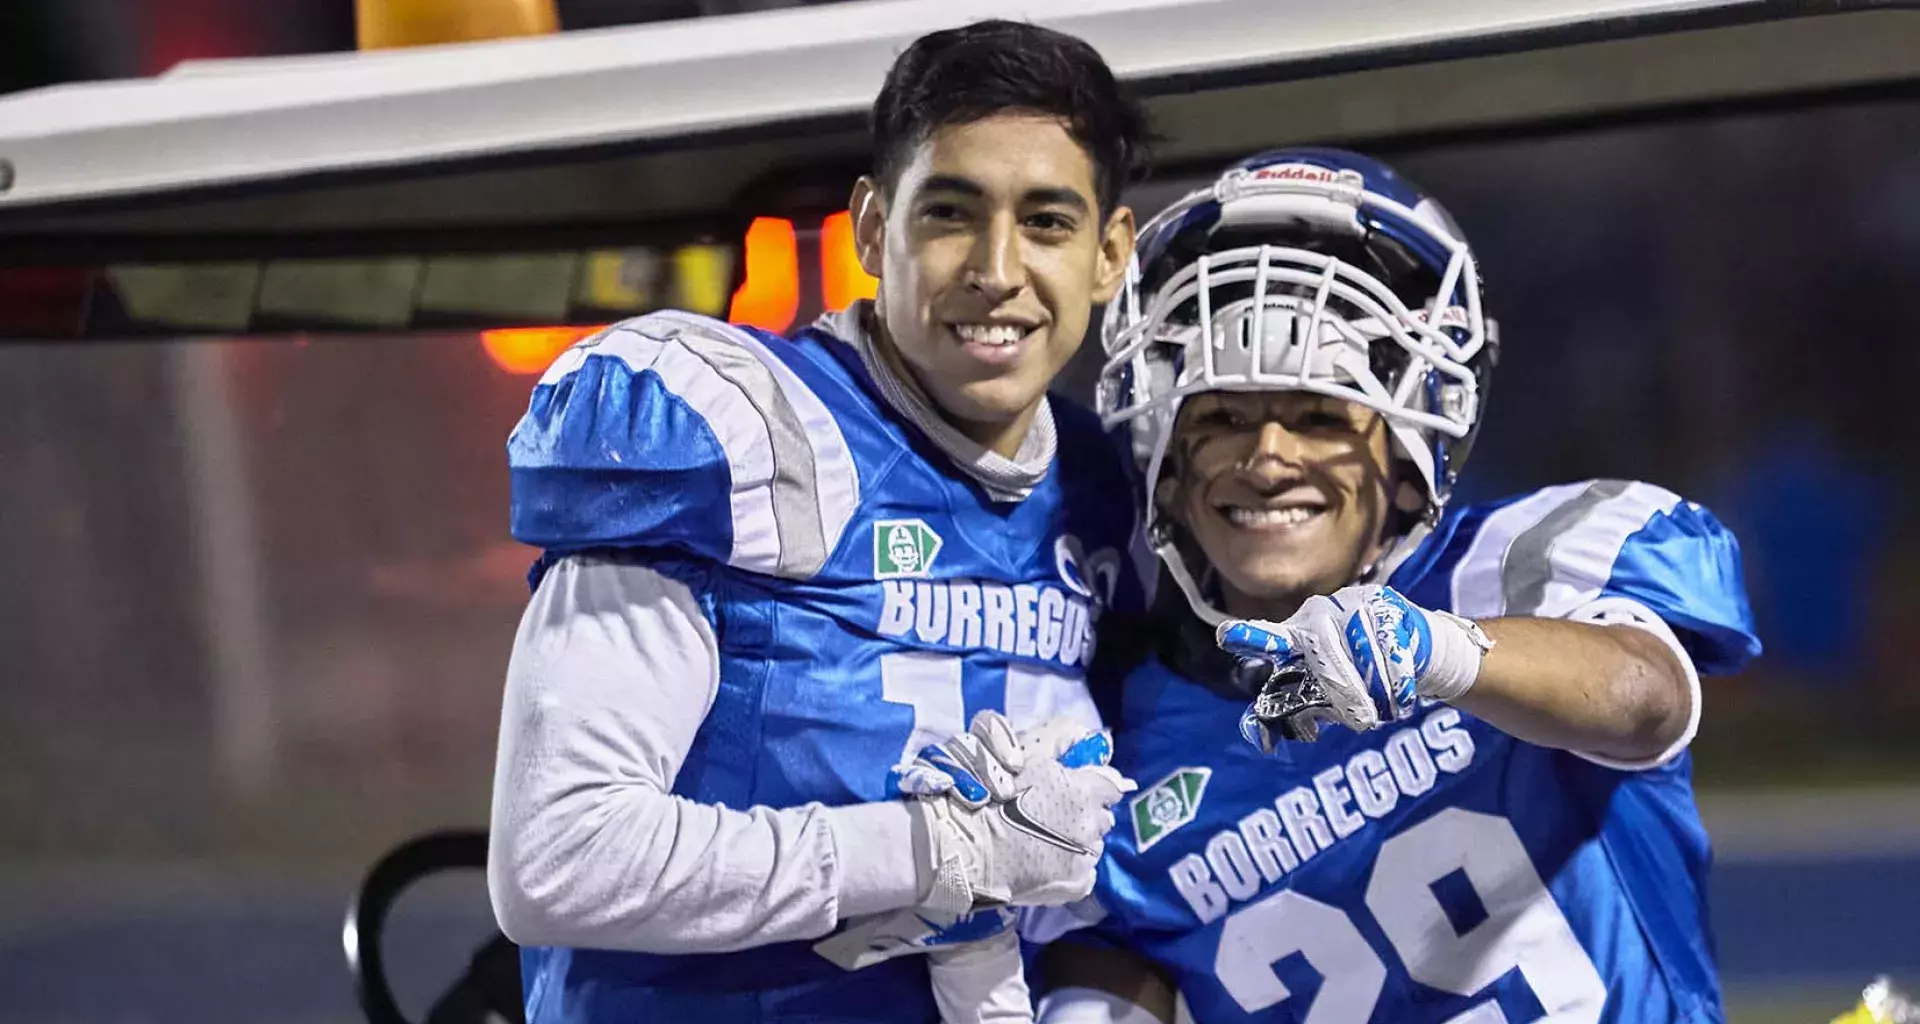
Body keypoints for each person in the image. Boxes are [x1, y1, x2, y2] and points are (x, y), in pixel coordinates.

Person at [485, 19, 1151, 1024]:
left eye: (1047, 221)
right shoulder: (736, 427)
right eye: (951, 213)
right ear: (875, 230)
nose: (998, 268)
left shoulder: (1104, 491)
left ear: (1109, 256)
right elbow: (558, 857)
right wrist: (930, 851)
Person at [1033, 147, 1762, 1024]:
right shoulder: (1119, 732)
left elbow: (1645, 698)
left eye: (1319, 417)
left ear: (1408, 451)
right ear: (1170, 459)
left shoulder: (1515, 566)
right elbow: (1102, 955)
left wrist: (1448, 654)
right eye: (1223, 416)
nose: (1268, 459)